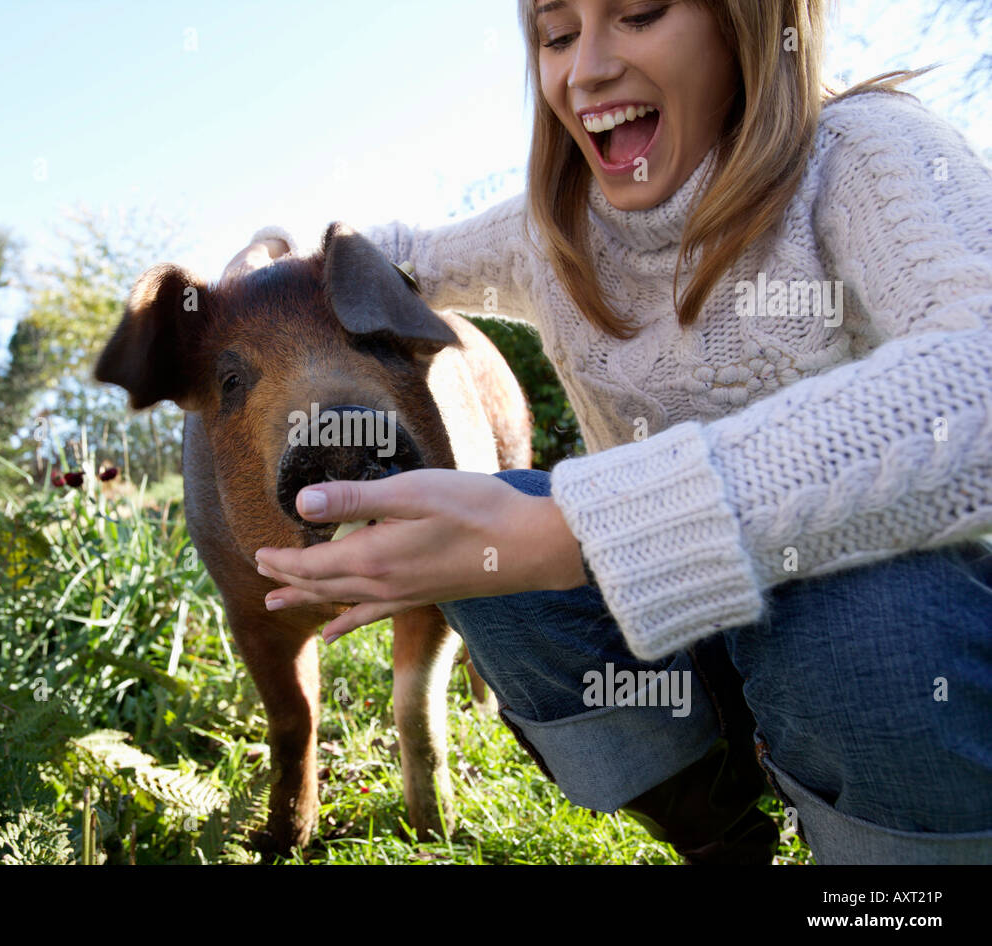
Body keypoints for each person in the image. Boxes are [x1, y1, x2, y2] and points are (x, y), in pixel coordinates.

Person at [232, 0, 992, 863]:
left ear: (745, 22)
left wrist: (580, 531)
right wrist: (268, 258)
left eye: (637, 13)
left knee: (859, 610)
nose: (585, 69)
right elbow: (396, 255)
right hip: (681, 637)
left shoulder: (863, 155)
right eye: (556, 35)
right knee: (489, 543)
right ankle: (722, 835)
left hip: (868, 639)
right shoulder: (552, 231)